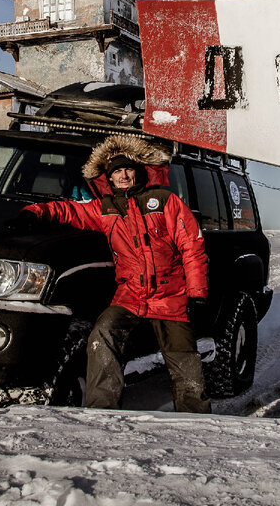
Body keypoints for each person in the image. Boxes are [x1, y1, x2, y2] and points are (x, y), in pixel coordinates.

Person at [22, 134, 211, 413]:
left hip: (170, 294)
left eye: (127, 169)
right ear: (108, 178)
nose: (123, 175)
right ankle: (102, 410)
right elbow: (69, 210)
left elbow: (192, 247)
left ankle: (196, 417)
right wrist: (34, 212)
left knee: (184, 357)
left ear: (138, 171)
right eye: (116, 172)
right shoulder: (105, 209)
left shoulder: (165, 201)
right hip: (130, 295)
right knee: (103, 333)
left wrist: (196, 294)